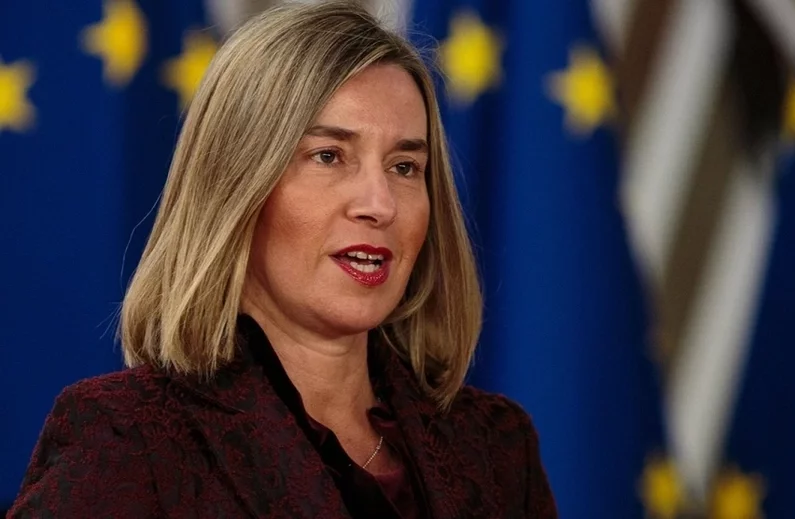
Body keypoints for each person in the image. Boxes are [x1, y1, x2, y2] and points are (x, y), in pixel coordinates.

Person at [9, 2, 557, 517]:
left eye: (404, 167)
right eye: (328, 156)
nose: (380, 204)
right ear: (237, 187)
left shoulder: (497, 446)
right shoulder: (126, 440)